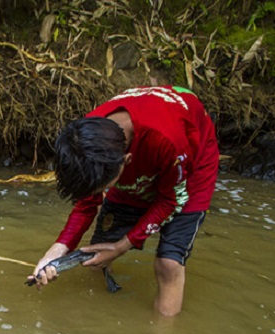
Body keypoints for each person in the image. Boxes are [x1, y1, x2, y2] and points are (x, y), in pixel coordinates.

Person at [29, 86, 219, 316]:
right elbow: (87, 203)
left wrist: (121, 247)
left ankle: (163, 332)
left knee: (168, 264)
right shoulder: (86, 141)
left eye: (105, 189)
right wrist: (55, 252)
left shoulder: (167, 140)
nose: (102, 193)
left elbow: (170, 200)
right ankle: (97, 311)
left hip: (189, 165)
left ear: (127, 161)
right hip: (146, 152)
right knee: (97, 253)